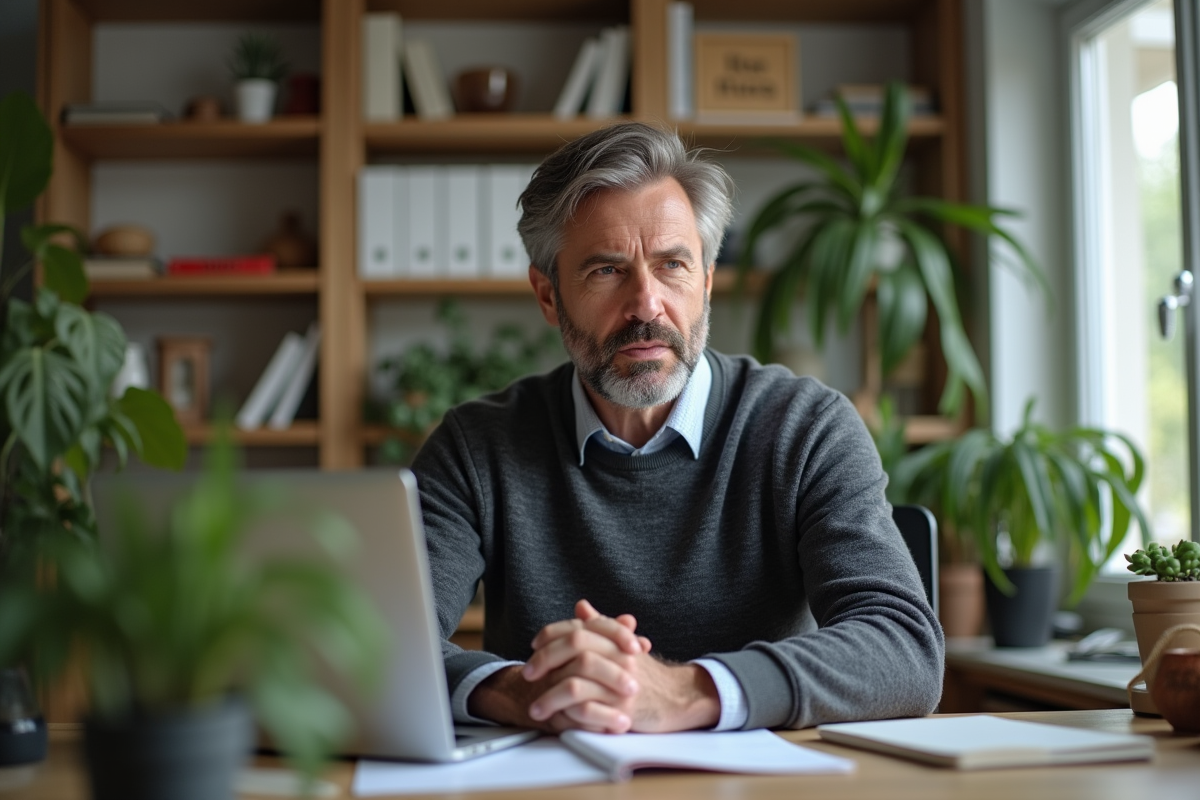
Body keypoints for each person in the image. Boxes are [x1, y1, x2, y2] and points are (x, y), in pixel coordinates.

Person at [411, 121, 944, 736]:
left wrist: (689, 692)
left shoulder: (806, 428)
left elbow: (904, 648)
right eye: (607, 271)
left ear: (708, 280)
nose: (646, 304)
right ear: (549, 295)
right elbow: (374, 647)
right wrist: (523, 691)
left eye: (672, 265)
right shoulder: (477, 447)